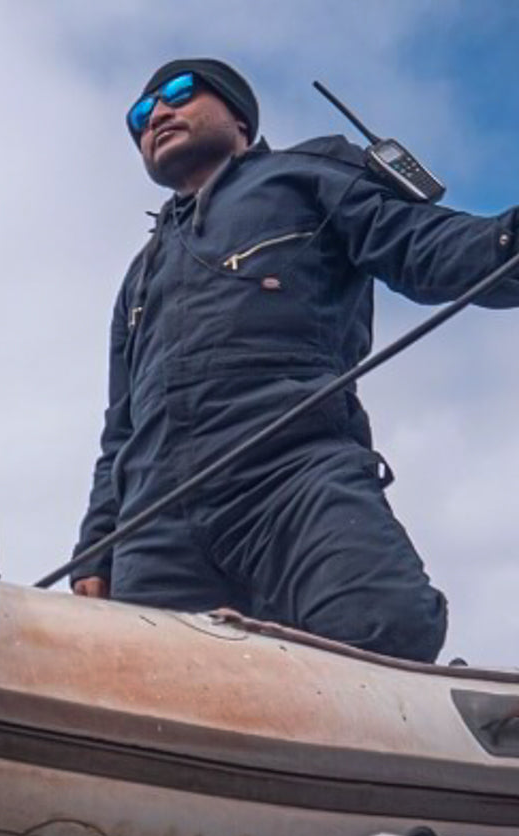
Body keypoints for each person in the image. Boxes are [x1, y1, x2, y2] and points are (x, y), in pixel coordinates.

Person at [71, 58, 519, 662]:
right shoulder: (138, 276)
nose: (156, 113)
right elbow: (119, 427)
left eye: (177, 92)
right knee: (136, 688)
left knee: (387, 625)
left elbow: (423, 246)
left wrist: (506, 243)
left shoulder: (308, 177)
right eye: (139, 116)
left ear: (238, 117)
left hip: (290, 472)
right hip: (154, 522)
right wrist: (98, 546)